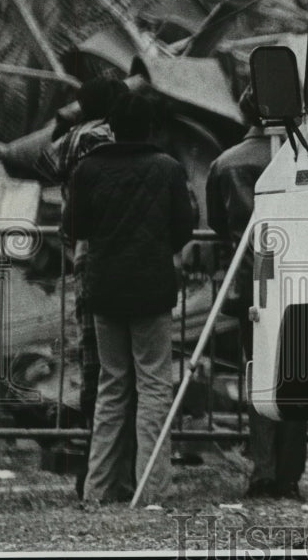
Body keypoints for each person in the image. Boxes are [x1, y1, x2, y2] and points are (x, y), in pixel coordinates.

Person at [64, 91, 194, 505]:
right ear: (151, 127)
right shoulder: (168, 169)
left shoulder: (87, 169)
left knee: (112, 385)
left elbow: (76, 226)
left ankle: (98, 487)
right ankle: (149, 489)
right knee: (155, 386)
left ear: (112, 127)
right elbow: (183, 231)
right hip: (152, 290)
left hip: (104, 290)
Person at [206, 85, 307, 498]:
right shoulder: (305, 159)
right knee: (301, 369)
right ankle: (290, 472)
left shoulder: (225, 163)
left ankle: (263, 469)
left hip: (251, 277)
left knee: (258, 370)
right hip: (300, 274)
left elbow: (216, 223)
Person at [36, 77, 128, 497]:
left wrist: (66, 121)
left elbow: (44, 165)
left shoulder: (68, 140)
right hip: (107, 250)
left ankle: (93, 464)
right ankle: (106, 468)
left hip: (80, 253)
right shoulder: (104, 137)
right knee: (113, 365)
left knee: (93, 359)